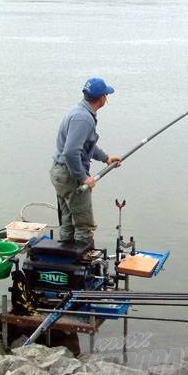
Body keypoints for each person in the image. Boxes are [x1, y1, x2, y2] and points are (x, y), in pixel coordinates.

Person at [50, 77, 121, 247]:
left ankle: (64, 261)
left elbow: (84, 146)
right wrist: (83, 178)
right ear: (102, 97)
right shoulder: (84, 118)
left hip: (60, 173)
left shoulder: (78, 111)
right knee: (83, 225)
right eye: (106, 95)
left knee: (67, 221)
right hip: (70, 176)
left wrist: (106, 158)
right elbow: (71, 152)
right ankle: (85, 267)